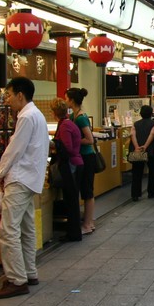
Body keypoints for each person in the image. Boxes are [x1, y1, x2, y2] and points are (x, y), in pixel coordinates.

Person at [0, 77, 49, 299]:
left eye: (8, 95)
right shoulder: (37, 115)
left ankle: (17, 279)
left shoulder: (26, 116)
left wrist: (0, 172)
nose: (7, 100)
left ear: (20, 95)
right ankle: (29, 272)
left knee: (9, 230)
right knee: (26, 227)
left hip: (20, 178)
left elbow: (15, 149)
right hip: (31, 178)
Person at [50, 98, 83, 242]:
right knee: (72, 199)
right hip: (75, 163)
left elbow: (67, 148)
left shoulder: (64, 126)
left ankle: (73, 232)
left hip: (70, 165)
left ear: (54, 112)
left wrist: (54, 146)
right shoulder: (68, 123)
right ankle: (73, 231)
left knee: (71, 200)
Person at [65, 87, 97, 235]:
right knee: (85, 189)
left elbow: (89, 139)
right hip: (81, 157)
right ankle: (88, 221)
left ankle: (88, 223)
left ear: (71, 100)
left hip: (87, 157)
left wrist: (74, 141)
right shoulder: (74, 115)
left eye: (66, 98)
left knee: (87, 191)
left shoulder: (81, 117)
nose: (65, 101)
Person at [129, 105, 154, 201]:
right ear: (151, 114)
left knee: (137, 172)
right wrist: (145, 146)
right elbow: (153, 134)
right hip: (151, 150)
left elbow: (132, 134)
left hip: (137, 151)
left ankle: (135, 194)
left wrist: (137, 146)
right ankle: (151, 192)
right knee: (152, 171)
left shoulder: (135, 124)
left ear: (141, 113)